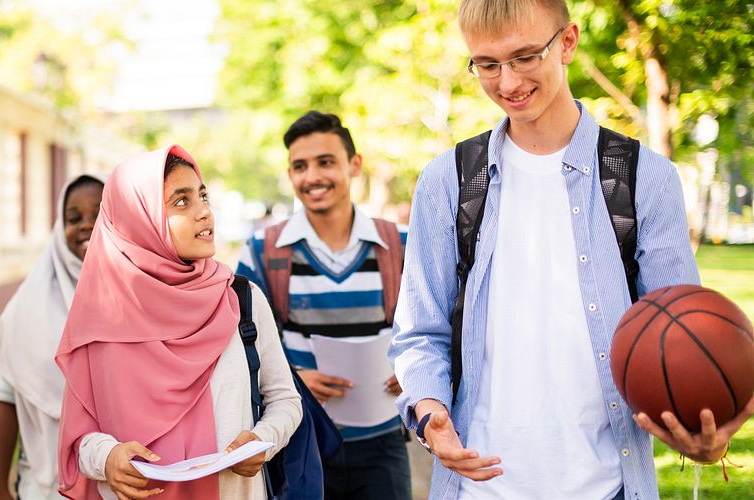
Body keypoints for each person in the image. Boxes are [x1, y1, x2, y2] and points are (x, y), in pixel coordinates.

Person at [387, 1, 754, 499]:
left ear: (567, 42)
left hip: (608, 487)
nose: (508, 83)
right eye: (488, 65)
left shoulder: (645, 178)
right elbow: (419, 331)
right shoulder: (446, 181)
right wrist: (430, 415)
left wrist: (702, 428)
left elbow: (681, 332)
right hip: (478, 490)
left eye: (524, 57)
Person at [55, 146, 302, 500]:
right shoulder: (103, 316)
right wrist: (107, 458)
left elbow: (285, 399)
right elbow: (79, 436)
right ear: (139, 220)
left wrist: (264, 441)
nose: (204, 212)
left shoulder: (240, 299)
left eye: (203, 196)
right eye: (181, 202)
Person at [236, 111, 411, 500]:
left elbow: (436, 327)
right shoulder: (263, 251)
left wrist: (417, 369)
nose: (312, 176)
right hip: (300, 444)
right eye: (300, 166)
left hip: (383, 442)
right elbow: (239, 343)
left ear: (354, 165)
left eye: (326, 162)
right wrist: (295, 376)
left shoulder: (401, 244)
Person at [0, 174, 105, 500]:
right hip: (46, 488)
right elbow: (2, 393)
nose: (85, 226)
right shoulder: (30, 303)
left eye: (100, 213)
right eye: (73, 218)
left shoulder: (143, 297)